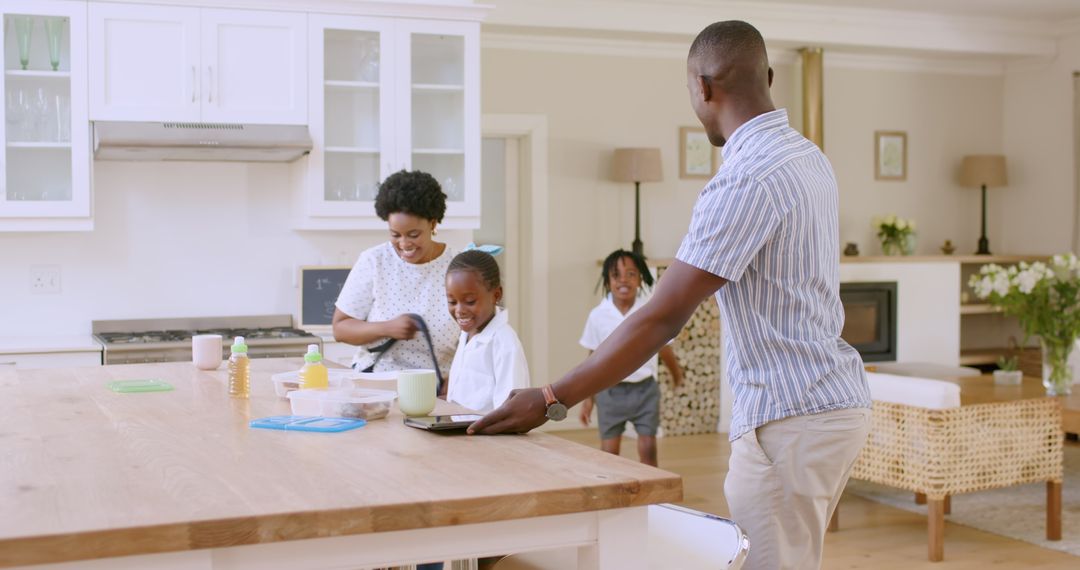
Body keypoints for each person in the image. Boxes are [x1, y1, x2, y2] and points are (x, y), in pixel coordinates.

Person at [469, 20, 872, 570]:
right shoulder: (807, 157)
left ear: (703, 88)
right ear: (768, 76)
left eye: (690, 92)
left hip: (791, 414)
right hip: (832, 401)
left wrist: (548, 398)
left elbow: (660, 318)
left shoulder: (747, 178)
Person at [333, 169, 459, 391]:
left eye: (413, 235)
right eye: (395, 234)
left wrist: (456, 382)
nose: (404, 244)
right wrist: (386, 328)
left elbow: (476, 337)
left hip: (438, 391)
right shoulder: (374, 261)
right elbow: (341, 329)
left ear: (432, 223)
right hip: (375, 389)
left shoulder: (458, 267)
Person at [578, 249, 683, 467]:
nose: (623, 280)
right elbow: (592, 359)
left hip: (645, 390)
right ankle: (610, 493)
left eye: (631, 274)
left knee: (648, 447)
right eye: (616, 275)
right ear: (607, 280)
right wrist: (588, 399)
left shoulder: (650, 311)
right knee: (609, 452)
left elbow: (664, 348)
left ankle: (653, 495)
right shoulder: (598, 316)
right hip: (609, 392)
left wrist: (677, 374)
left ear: (640, 278)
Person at [445, 249, 531, 413]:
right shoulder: (467, 332)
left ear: (496, 295)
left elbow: (511, 410)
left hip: (487, 436)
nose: (459, 310)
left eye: (469, 301)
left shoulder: (505, 344)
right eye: (452, 301)